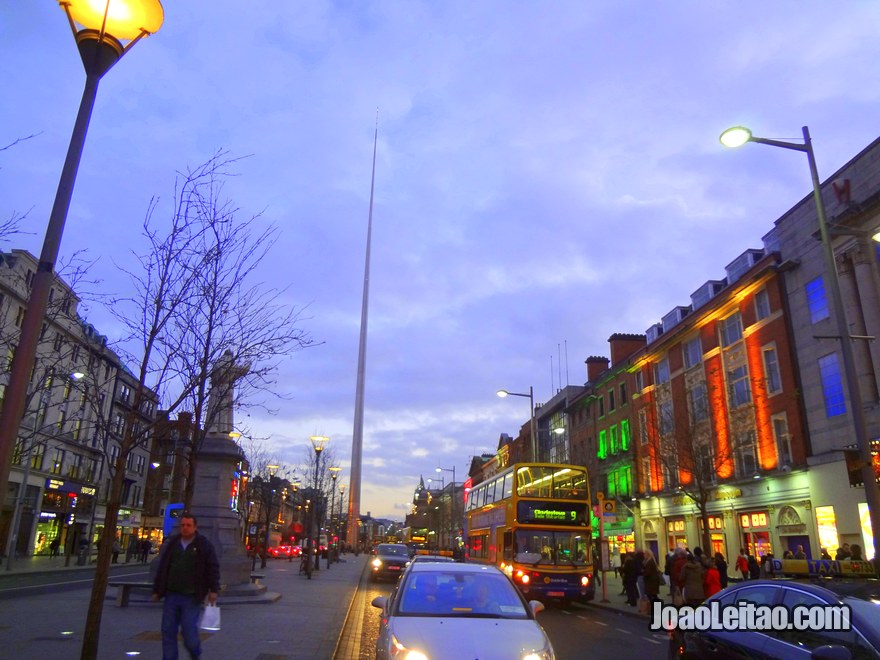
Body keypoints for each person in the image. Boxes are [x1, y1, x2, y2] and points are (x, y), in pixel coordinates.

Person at [152, 512, 220, 660]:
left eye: (188, 525)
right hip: (172, 594)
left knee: (189, 633)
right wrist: (158, 590)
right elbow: (164, 566)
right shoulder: (173, 543)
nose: (185, 528)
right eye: (183, 525)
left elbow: (212, 567)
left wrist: (214, 590)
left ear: (195, 527)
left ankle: (195, 653)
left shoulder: (203, 545)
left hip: (191, 596)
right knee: (168, 632)